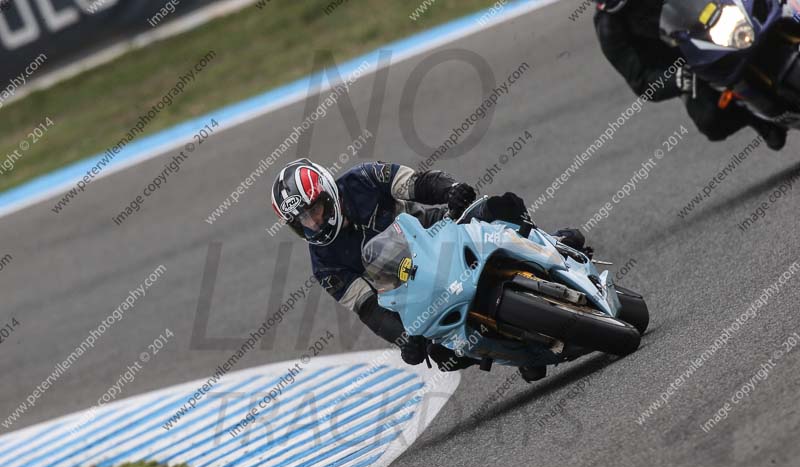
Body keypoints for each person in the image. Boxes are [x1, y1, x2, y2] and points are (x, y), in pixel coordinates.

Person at [271, 158, 590, 381]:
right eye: (302, 220)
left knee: (497, 207)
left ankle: (554, 244)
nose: (313, 222)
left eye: (315, 209)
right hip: (410, 289)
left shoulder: (363, 178)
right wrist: (404, 338)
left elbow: (416, 183)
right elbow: (368, 309)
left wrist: (451, 190)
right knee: (443, 356)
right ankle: (514, 349)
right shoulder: (324, 265)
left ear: (328, 192)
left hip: (434, 232)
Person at [593, 0, 787, 150]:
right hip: (690, 66)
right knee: (710, 120)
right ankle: (758, 119)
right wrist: (676, 80)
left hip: (718, 14)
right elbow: (641, 79)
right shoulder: (608, 28)